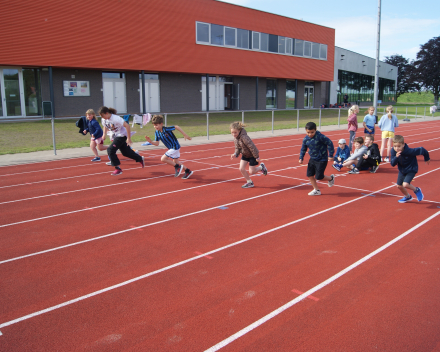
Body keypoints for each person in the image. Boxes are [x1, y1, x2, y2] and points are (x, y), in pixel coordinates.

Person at [98, 106, 145, 175]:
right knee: (125, 153)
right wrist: (104, 134)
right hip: (115, 135)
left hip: (122, 135)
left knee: (110, 150)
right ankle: (140, 158)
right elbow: (105, 126)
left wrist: (129, 138)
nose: (102, 118)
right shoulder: (104, 119)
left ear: (107, 113)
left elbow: (127, 126)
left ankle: (118, 168)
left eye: (103, 116)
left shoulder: (116, 118)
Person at [145, 114, 193, 179]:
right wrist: (150, 142)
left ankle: (177, 167)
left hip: (175, 146)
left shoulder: (166, 129)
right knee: (175, 162)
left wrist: (185, 135)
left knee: (163, 159)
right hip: (171, 148)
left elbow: (176, 127)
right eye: (154, 125)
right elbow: (157, 143)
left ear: (161, 124)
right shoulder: (157, 132)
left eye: (156, 125)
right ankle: (188, 171)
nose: (155, 126)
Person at [390, 134, 430, 203]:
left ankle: (416, 190)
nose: (397, 148)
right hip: (402, 170)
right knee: (399, 186)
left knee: (405, 184)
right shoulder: (393, 151)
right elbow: (392, 164)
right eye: (395, 146)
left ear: (403, 145)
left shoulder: (409, 151)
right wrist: (396, 157)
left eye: (399, 146)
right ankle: (408, 197)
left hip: (411, 169)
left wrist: (427, 158)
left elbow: (422, 150)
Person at [299, 122, 335, 196]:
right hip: (312, 159)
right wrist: (301, 158)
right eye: (308, 132)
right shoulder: (305, 139)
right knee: (309, 175)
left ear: (315, 130)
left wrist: (331, 155)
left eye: (312, 132)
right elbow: (303, 149)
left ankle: (330, 178)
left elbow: (330, 143)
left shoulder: (320, 137)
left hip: (322, 159)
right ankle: (316, 190)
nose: (310, 134)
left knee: (319, 177)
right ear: (305, 130)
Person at [230, 121, 268, 188]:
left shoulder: (244, 137)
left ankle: (261, 167)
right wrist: (235, 153)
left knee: (252, 172)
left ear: (239, 130)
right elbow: (237, 147)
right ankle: (249, 182)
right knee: (241, 168)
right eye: (232, 132)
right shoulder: (235, 138)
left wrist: (256, 157)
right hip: (245, 155)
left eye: (235, 132)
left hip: (252, 155)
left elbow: (252, 147)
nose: (234, 134)